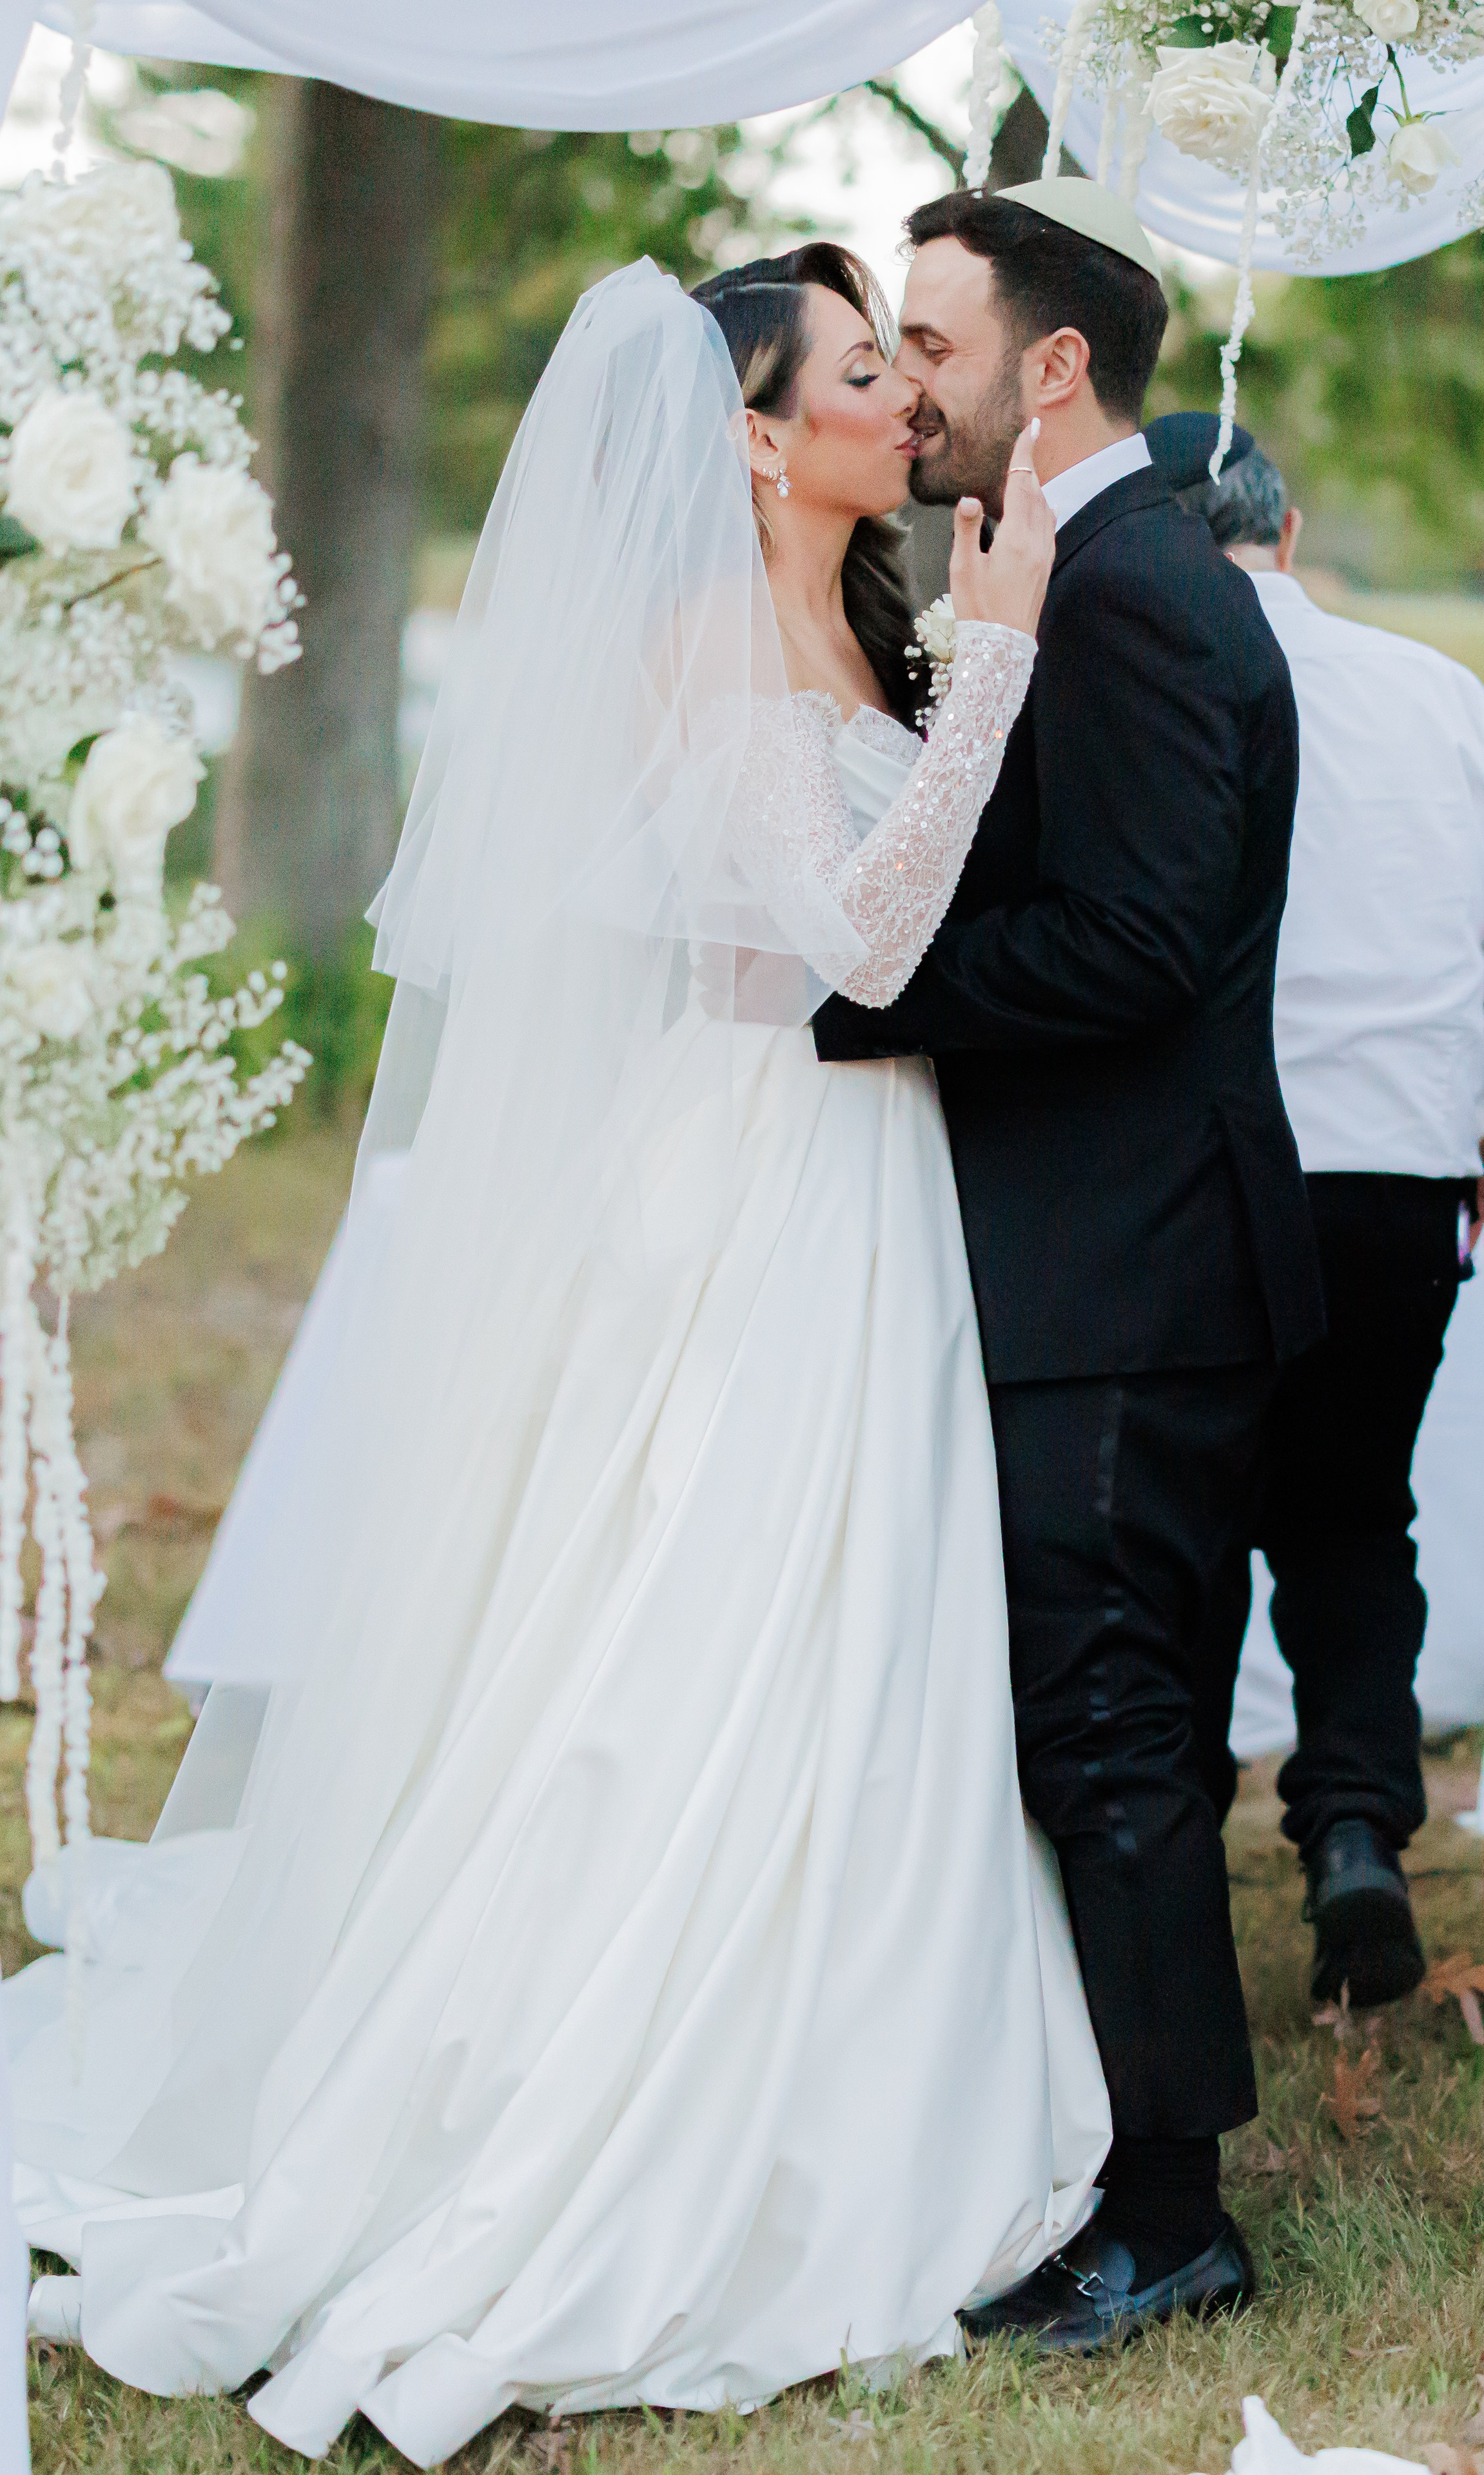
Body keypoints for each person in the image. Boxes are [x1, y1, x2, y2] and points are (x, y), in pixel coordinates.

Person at [3, 248, 1112, 2465]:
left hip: (861, 1176)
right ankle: (606, 2087)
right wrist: (994, 672)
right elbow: (862, 940)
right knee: (707, 1632)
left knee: (854, 1635)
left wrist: (963, 668)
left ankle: (848, 2051)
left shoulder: (842, 618)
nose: (906, 400)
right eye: (866, 369)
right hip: (765, 1171)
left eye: (910, 362)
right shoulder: (714, 638)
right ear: (754, 430)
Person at [813, 184, 1323, 2346]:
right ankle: (1109, 2149)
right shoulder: (1082, 574)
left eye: (927, 341)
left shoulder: (1133, 595)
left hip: (1128, 1265)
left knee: (1111, 1735)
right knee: (1105, 1725)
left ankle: (1171, 2203)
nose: (905, 384)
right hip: (1111, 1253)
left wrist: (865, 990)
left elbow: (1133, 940)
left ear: (1049, 367)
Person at [1149, 412, 1484, 2008]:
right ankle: (1352, 1823)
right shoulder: (1437, 696)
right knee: (1355, 1511)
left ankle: (1175, 1840)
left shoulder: (1150, 685)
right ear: (1282, 533)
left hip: (1218, 1165)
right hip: (1401, 1172)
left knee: (1193, 1517)